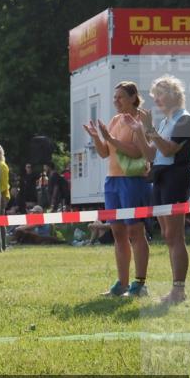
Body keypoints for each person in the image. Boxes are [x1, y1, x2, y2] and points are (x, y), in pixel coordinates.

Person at [133, 75, 190, 305]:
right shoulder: (164, 122)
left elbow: (169, 150)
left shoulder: (185, 120)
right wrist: (140, 132)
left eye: (159, 94)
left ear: (173, 95)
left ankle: (179, 290)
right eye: (155, 95)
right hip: (160, 178)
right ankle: (176, 290)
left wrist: (150, 129)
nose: (156, 99)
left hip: (175, 178)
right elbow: (152, 154)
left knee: (175, 235)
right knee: (167, 235)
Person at [83, 80, 151, 298]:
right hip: (112, 181)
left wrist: (110, 138)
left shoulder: (140, 120)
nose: (116, 101)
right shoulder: (115, 120)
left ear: (133, 98)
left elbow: (137, 152)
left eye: (120, 97)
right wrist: (97, 138)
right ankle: (122, 283)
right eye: (115, 97)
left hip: (132, 181)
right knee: (118, 232)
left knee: (135, 231)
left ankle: (140, 284)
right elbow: (105, 153)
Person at [0, 145, 11, 248]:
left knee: (0, 222)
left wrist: (0, 197)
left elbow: (4, 185)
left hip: (1, 195)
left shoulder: (1, 165)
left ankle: (3, 245)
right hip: (0, 195)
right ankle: (1, 244)